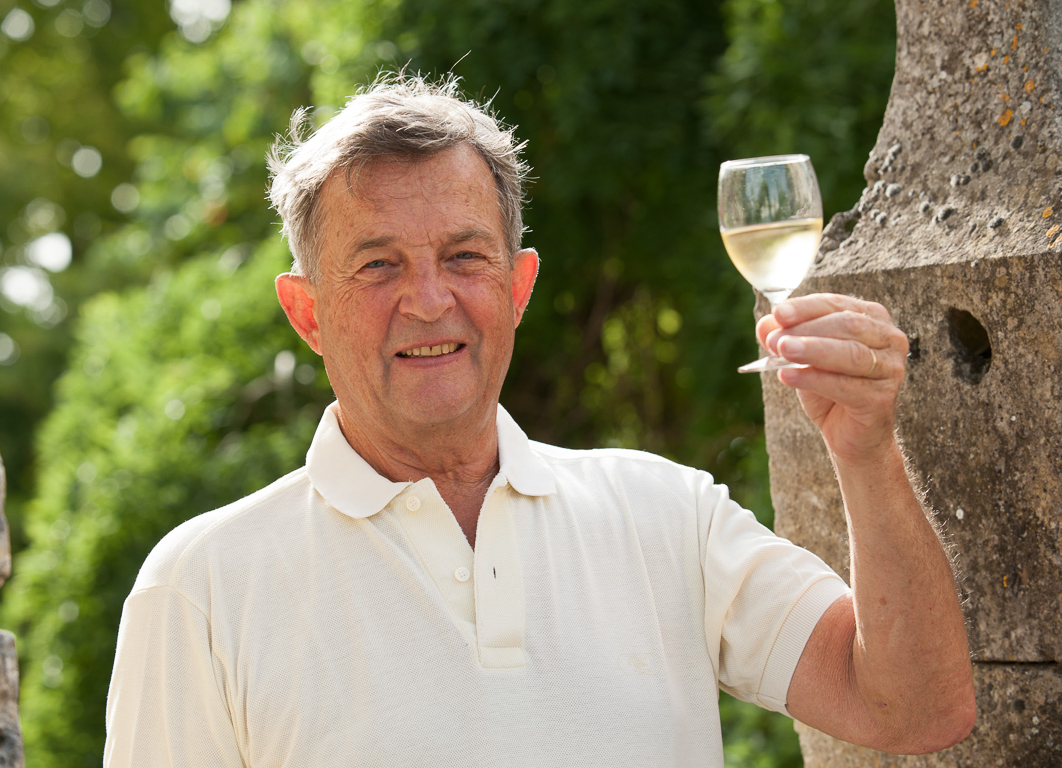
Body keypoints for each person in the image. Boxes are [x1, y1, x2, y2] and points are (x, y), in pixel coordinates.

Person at [103, 75, 974, 767]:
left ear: (516, 289)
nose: (430, 300)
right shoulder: (200, 588)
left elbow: (917, 707)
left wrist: (866, 450)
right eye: (378, 265)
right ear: (307, 313)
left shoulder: (667, 516)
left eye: (464, 256)